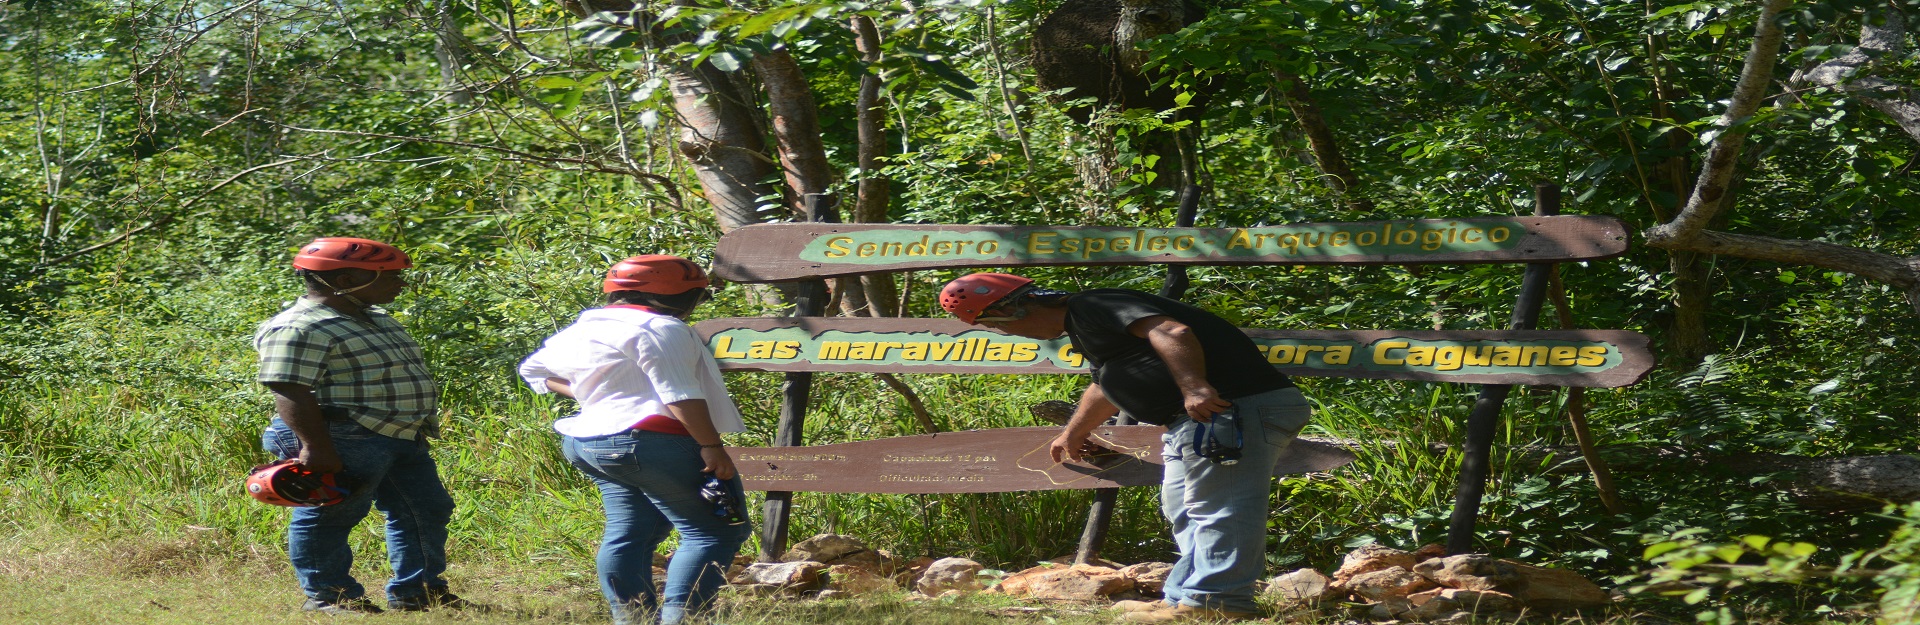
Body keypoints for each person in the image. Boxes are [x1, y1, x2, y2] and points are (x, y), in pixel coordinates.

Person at [939, 272, 1312, 623]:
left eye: (995, 325)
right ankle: (1186, 597)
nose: (1012, 334)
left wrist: (1193, 385)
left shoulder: (1094, 304)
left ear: (1011, 310)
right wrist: (1074, 433)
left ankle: (1220, 601)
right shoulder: (1083, 328)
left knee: (1220, 506)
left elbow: (1170, 329)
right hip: (1198, 422)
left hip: (1233, 408)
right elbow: (1105, 385)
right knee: (1183, 507)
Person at [519, 254, 751, 625]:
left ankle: (632, 618)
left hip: (589, 443)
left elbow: (531, 370)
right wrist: (712, 445)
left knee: (632, 532)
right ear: (680, 296)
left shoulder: (581, 329)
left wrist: (594, 395)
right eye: (699, 296)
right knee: (715, 532)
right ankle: (683, 619)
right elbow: (679, 394)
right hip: (654, 441)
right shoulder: (661, 328)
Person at [254, 237, 473, 613]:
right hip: (340, 437)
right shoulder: (298, 327)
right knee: (330, 515)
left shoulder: (375, 318)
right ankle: (330, 598)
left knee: (426, 509)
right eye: (387, 275)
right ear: (345, 278)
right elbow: (289, 390)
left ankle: (419, 593)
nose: (401, 283)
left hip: (401, 435)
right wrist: (315, 447)